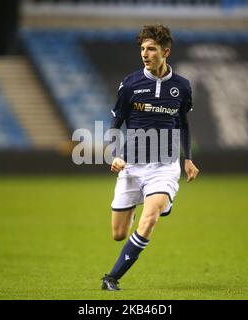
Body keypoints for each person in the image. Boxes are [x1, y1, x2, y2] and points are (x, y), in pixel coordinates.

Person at [101, 25, 199, 291]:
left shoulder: (182, 86)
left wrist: (187, 159)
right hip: (132, 165)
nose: (145, 53)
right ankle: (147, 198)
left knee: (151, 217)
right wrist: (114, 154)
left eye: (151, 49)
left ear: (165, 52)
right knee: (119, 234)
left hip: (164, 166)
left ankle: (111, 277)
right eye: (142, 48)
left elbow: (184, 124)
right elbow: (115, 122)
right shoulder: (130, 83)